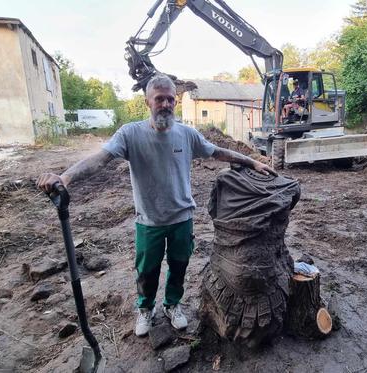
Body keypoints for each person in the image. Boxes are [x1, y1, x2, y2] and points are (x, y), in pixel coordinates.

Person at [37, 74, 276, 337]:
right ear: (147, 102)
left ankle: (172, 304)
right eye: (159, 99)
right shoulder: (130, 134)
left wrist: (252, 162)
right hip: (148, 221)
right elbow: (100, 159)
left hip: (181, 218)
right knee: (147, 271)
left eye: (170, 99)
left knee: (179, 265)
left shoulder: (187, 134)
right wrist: (66, 177)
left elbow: (217, 151)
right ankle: (145, 308)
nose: (165, 104)